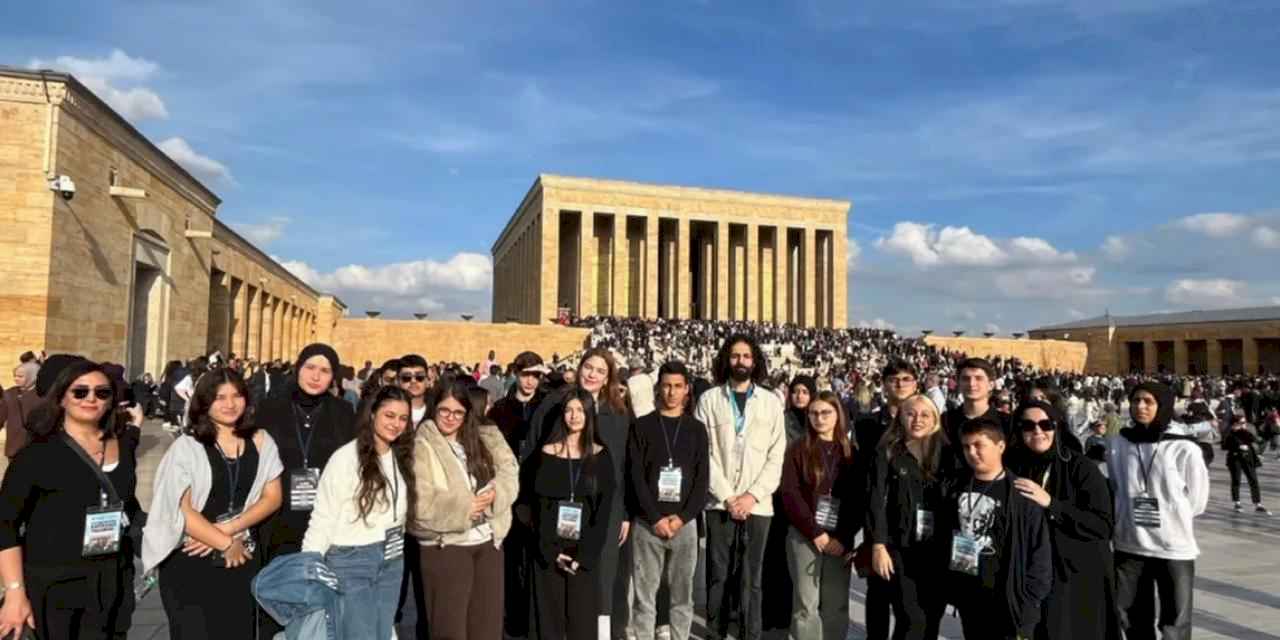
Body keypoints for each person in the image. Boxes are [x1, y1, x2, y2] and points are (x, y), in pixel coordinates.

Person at [0, 360, 143, 639]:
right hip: (54, 585)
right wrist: (15, 592)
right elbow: (5, 525)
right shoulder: (37, 455)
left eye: (102, 393)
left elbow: (128, 507)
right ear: (62, 398)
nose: (91, 398)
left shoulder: (122, 447)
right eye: (80, 392)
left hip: (111, 582)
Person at [143, 368, 285, 638]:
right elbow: (180, 508)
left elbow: (272, 497)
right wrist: (224, 543)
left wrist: (229, 532)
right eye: (220, 397)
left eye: (236, 396)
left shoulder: (261, 440)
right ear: (204, 402)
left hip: (240, 556)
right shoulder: (187, 446)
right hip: (192, 561)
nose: (230, 405)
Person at [524, 348, 633, 638]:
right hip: (557, 508)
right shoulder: (555, 404)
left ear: (609, 377)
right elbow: (535, 455)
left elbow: (622, 466)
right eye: (588, 367)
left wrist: (624, 513)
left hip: (602, 509)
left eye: (600, 371)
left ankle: (603, 634)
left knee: (601, 578)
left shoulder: (618, 412)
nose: (592, 375)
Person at [254, 343, 357, 638]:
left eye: (324, 370)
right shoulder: (270, 409)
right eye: (310, 367)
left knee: (319, 606)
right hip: (276, 519)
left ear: (333, 377)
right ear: (298, 368)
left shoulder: (343, 412)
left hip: (324, 522)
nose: (316, 376)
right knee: (277, 599)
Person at [302, 385, 416, 640]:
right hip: (351, 561)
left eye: (403, 418)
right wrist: (309, 566)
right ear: (373, 413)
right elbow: (323, 517)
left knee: (382, 633)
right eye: (389, 415)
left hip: (392, 560)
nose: (396, 424)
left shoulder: (402, 457)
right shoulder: (345, 459)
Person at [409, 379, 518, 640]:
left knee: (487, 628)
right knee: (450, 629)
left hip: (488, 541)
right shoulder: (420, 445)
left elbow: (509, 472)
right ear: (434, 409)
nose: (450, 418)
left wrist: (495, 493)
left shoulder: (481, 439)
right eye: (444, 410)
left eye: (458, 412)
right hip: (447, 545)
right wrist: (464, 506)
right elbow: (420, 501)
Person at [694, 334, 786, 640]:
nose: (741, 361)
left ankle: (751, 634)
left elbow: (777, 455)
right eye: (735, 356)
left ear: (755, 360)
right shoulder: (708, 400)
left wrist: (751, 496)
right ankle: (715, 632)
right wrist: (729, 496)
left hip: (758, 504)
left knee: (752, 577)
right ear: (726, 359)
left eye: (746, 356)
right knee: (718, 574)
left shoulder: (771, 402)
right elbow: (703, 453)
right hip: (720, 503)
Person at [1008, 400, 1121, 639]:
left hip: (1076, 573)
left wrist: (1051, 504)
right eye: (1028, 425)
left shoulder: (1080, 467)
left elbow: (1102, 525)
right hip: (1034, 568)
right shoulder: (1013, 466)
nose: (1037, 431)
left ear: (1056, 427)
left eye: (1045, 424)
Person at [1109, 382, 1209, 640]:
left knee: (1175, 623)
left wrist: (1170, 514)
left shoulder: (1184, 448)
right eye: (1135, 401)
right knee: (1131, 618)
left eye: (1148, 401)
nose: (1140, 406)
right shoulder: (1119, 444)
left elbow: (1197, 501)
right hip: (1130, 545)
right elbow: (1117, 487)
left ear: (1162, 406)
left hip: (1173, 547)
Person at [944, 416, 1053, 639]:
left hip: (1009, 600)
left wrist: (1029, 601)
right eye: (966, 446)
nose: (972, 452)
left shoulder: (1021, 495)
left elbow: (1039, 555)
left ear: (1000, 446)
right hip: (970, 596)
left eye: (979, 445)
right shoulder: (955, 488)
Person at [626, 362, 709, 640]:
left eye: (677, 386)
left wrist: (682, 518)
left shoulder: (697, 429)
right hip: (648, 523)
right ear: (658, 387)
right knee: (644, 596)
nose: (671, 392)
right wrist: (656, 517)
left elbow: (701, 481)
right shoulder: (642, 426)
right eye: (666, 385)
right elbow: (635, 476)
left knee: (682, 596)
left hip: (684, 525)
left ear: (687, 389)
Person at [865, 394, 952, 640]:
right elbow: (875, 500)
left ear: (935, 419)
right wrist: (878, 545)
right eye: (911, 413)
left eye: (925, 415)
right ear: (900, 417)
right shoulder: (888, 452)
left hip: (937, 550)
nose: (917, 419)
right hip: (899, 547)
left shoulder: (946, 454)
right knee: (910, 617)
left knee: (931, 618)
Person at [779, 390, 860, 640]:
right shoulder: (798, 449)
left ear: (838, 415)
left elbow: (858, 500)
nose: (820, 418)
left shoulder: (851, 452)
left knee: (835, 604)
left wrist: (844, 537)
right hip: (805, 535)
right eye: (814, 413)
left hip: (839, 539)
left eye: (826, 412)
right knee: (806, 605)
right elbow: (790, 493)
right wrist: (815, 532)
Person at [854, 359, 918, 640]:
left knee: (909, 601)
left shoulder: (924, 423)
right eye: (894, 379)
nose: (900, 384)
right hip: (877, 516)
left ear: (916, 384)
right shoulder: (867, 425)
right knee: (877, 594)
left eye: (906, 379)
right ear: (884, 384)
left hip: (912, 520)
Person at [488, 352, 548, 639]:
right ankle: (513, 620)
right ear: (516, 374)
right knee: (511, 560)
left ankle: (534, 619)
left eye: (535, 375)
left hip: (538, 493)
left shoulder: (548, 406)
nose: (530, 381)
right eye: (526, 374)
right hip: (509, 494)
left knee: (536, 558)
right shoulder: (501, 409)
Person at [942, 358, 1010, 455]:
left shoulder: (1007, 423)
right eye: (966, 379)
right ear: (959, 383)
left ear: (991, 385)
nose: (971, 383)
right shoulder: (945, 421)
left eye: (979, 378)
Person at [1222, 414, 1269, 514]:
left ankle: (1258, 504)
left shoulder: (1246, 432)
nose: (1244, 425)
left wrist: (1245, 431)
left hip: (1248, 458)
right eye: (1242, 423)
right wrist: (1237, 446)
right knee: (1236, 480)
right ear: (1235, 423)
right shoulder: (1229, 433)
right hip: (1235, 459)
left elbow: (1255, 440)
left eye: (1245, 422)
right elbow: (1224, 446)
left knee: (1253, 480)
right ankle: (1237, 503)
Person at [2, 361, 40, 458]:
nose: (16, 379)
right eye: (15, 376)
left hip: (36, 446)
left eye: (20, 376)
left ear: (32, 376)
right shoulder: (9, 394)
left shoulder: (43, 395)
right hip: (14, 447)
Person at [398, 354, 432, 428]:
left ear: (427, 380)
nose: (413, 381)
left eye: (419, 377)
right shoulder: (390, 413)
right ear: (398, 381)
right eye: (406, 377)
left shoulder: (436, 413)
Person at [784, 375, 816, 443]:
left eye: (805, 392)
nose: (799, 396)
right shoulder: (783, 419)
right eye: (795, 392)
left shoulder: (817, 418)